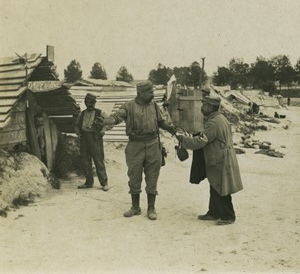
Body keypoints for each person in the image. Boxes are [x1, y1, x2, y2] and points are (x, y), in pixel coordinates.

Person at [99, 81, 176, 220]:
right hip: (135, 145)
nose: (153, 95)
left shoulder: (154, 106)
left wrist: (171, 129)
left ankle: (151, 208)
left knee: (152, 177)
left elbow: (160, 122)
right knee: (134, 177)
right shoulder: (129, 107)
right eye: (150, 92)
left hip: (153, 144)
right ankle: (135, 207)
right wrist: (108, 120)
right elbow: (117, 117)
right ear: (140, 93)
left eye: (153, 92)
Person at [176, 96, 243, 225]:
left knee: (221, 187)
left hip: (219, 159)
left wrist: (183, 140)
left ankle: (228, 216)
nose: (202, 107)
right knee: (215, 185)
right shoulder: (219, 118)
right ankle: (213, 213)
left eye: (205, 105)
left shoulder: (213, 123)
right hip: (221, 156)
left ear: (211, 107)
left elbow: (201, 141)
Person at [75, 93, 110, 191]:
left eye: (91, 102)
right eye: (87, 102)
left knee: (98, 161)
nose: (89, 104)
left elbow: (109, 122)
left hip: (95, 138)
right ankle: (88, 182)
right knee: (85, 161)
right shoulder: (82, 113)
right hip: (84, 139)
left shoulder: (100, 113)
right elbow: (77, 125)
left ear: (94, 103)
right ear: (85, 102)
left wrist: (103, 130)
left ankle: (104, 183)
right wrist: (78, 133)